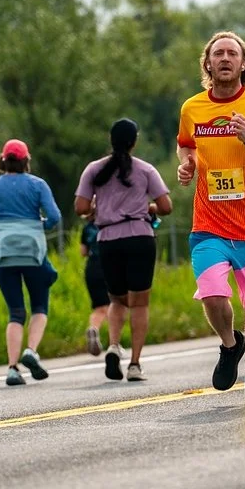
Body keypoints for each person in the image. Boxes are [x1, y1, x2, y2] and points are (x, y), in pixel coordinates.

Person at [177, 31, 245, 405]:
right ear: (208, 64)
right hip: (209, 224)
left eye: (232, 54)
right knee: (211, 293)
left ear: (244, 64)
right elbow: (185, 145)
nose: (225, 58)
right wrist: (188, 164)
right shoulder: (192, 108)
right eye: (218, 53)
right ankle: (229, 344)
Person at [75, 118, 172, 382]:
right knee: (139, 303)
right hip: (140, 238)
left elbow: (80, 207)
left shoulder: (94, 169)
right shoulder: (145, 170)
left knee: (117, 300)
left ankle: (114, 345)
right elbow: (166, 206)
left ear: (111, 140)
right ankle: (135, 364)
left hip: (108, 240)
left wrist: (100, 208)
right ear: (134, 141)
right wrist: (148, 207)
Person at [0, 139, 62, 387]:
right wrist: (40, 224)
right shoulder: (38, 185)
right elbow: (54, 217)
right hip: (33, 253)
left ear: (2, 160)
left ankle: (13, 368)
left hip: (4, 254)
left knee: (15, 312)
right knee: (39, 306)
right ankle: (31, 350)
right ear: (26, 161)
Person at [79, 213, 109, 356]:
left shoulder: (87, 229)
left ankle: (94, 328)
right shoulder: (109, 224)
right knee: (114, 305)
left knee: (99, 307)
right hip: (108, 265)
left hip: (91, 268)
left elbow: (83, 252)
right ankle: (114, 342)